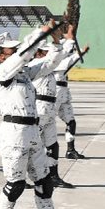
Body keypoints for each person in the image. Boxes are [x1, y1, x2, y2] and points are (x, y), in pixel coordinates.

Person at [0, 21, 78, 209]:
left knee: (44, 181)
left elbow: (51, 64)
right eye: (10, 49)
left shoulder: (24, 74)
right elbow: (23, 56)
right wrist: (40, 32)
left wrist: (56, 42)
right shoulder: (3, 72)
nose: (15, 50)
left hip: (32, 131)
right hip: (13, 134)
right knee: (15, 184)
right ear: (0, 56)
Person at [32, 42, 83, 189]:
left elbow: (61, 59)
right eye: (46, 51)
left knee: (53, 144)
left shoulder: (48, 64)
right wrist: (70, 42)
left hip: (50, 109)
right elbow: (61, 60)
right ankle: (20, 177)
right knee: (32, 144)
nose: (50, 54)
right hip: (40, 108)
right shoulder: (38, 64)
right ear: (39, 52)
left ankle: (53, 176)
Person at [55, 43, 85, 159]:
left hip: (64, 92)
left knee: (71, 121)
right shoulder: (55, 62)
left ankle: (70, 150)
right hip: (55, 92)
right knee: (45, 123)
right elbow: (67, 62)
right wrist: (79, 52)